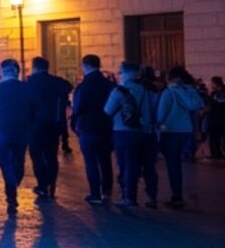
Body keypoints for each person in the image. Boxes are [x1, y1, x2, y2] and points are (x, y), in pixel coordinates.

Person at [104, 61, 160, 208]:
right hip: (148, 132)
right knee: (149, 166)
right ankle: (152, 196)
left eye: (120, 73)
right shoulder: (150, 90)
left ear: (126, 74)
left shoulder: (120, 91)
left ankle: (129, 197)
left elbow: (108, 111)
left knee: (127, 165)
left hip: (124, 132)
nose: (119, 76)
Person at [0, 59, 35, 214]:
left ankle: (11, 193)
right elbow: (34, 108)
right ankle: (14, 182)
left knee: (4, 161)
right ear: (17, 72)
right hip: (21, 131)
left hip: (2, 131)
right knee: (18, 159)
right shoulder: (27, 89)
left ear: (3, 72)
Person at [22, 57, 71, 202]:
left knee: (37, 156)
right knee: (51, 155)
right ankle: (51, 183)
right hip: (54, 123)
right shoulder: (58, 82)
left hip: (35, 125)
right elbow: (68, 88)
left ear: (34, 67)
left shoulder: (29, 83)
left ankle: (42, 185)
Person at [70, 55, 117, 206]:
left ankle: (95, 193)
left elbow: (78, 107)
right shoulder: (108, 84)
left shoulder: (83, 86)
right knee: (105, 160)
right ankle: (107, 190)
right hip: (105, 126)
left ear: (84, 66)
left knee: (91, 161)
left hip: (87, 127)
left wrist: (74, 121)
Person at [156, 67, 204, 209]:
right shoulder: (189, 90)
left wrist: (158, 127)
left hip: (170, 131)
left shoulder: (169, 92)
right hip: (185, 131)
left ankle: (176, 195)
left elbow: (161, 115)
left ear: (171, 77)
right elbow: (198, 105)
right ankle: (178, 195)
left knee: (173, 164)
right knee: (178, 162)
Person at [207, 75, 225, 161]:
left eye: (212, 83)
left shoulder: (215, 94)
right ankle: (216, 153)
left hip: (217, 119)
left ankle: (216, 154)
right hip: (215, 119)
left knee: (215, 138)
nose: (211, 85)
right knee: (214, 138)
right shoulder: (213, 94)